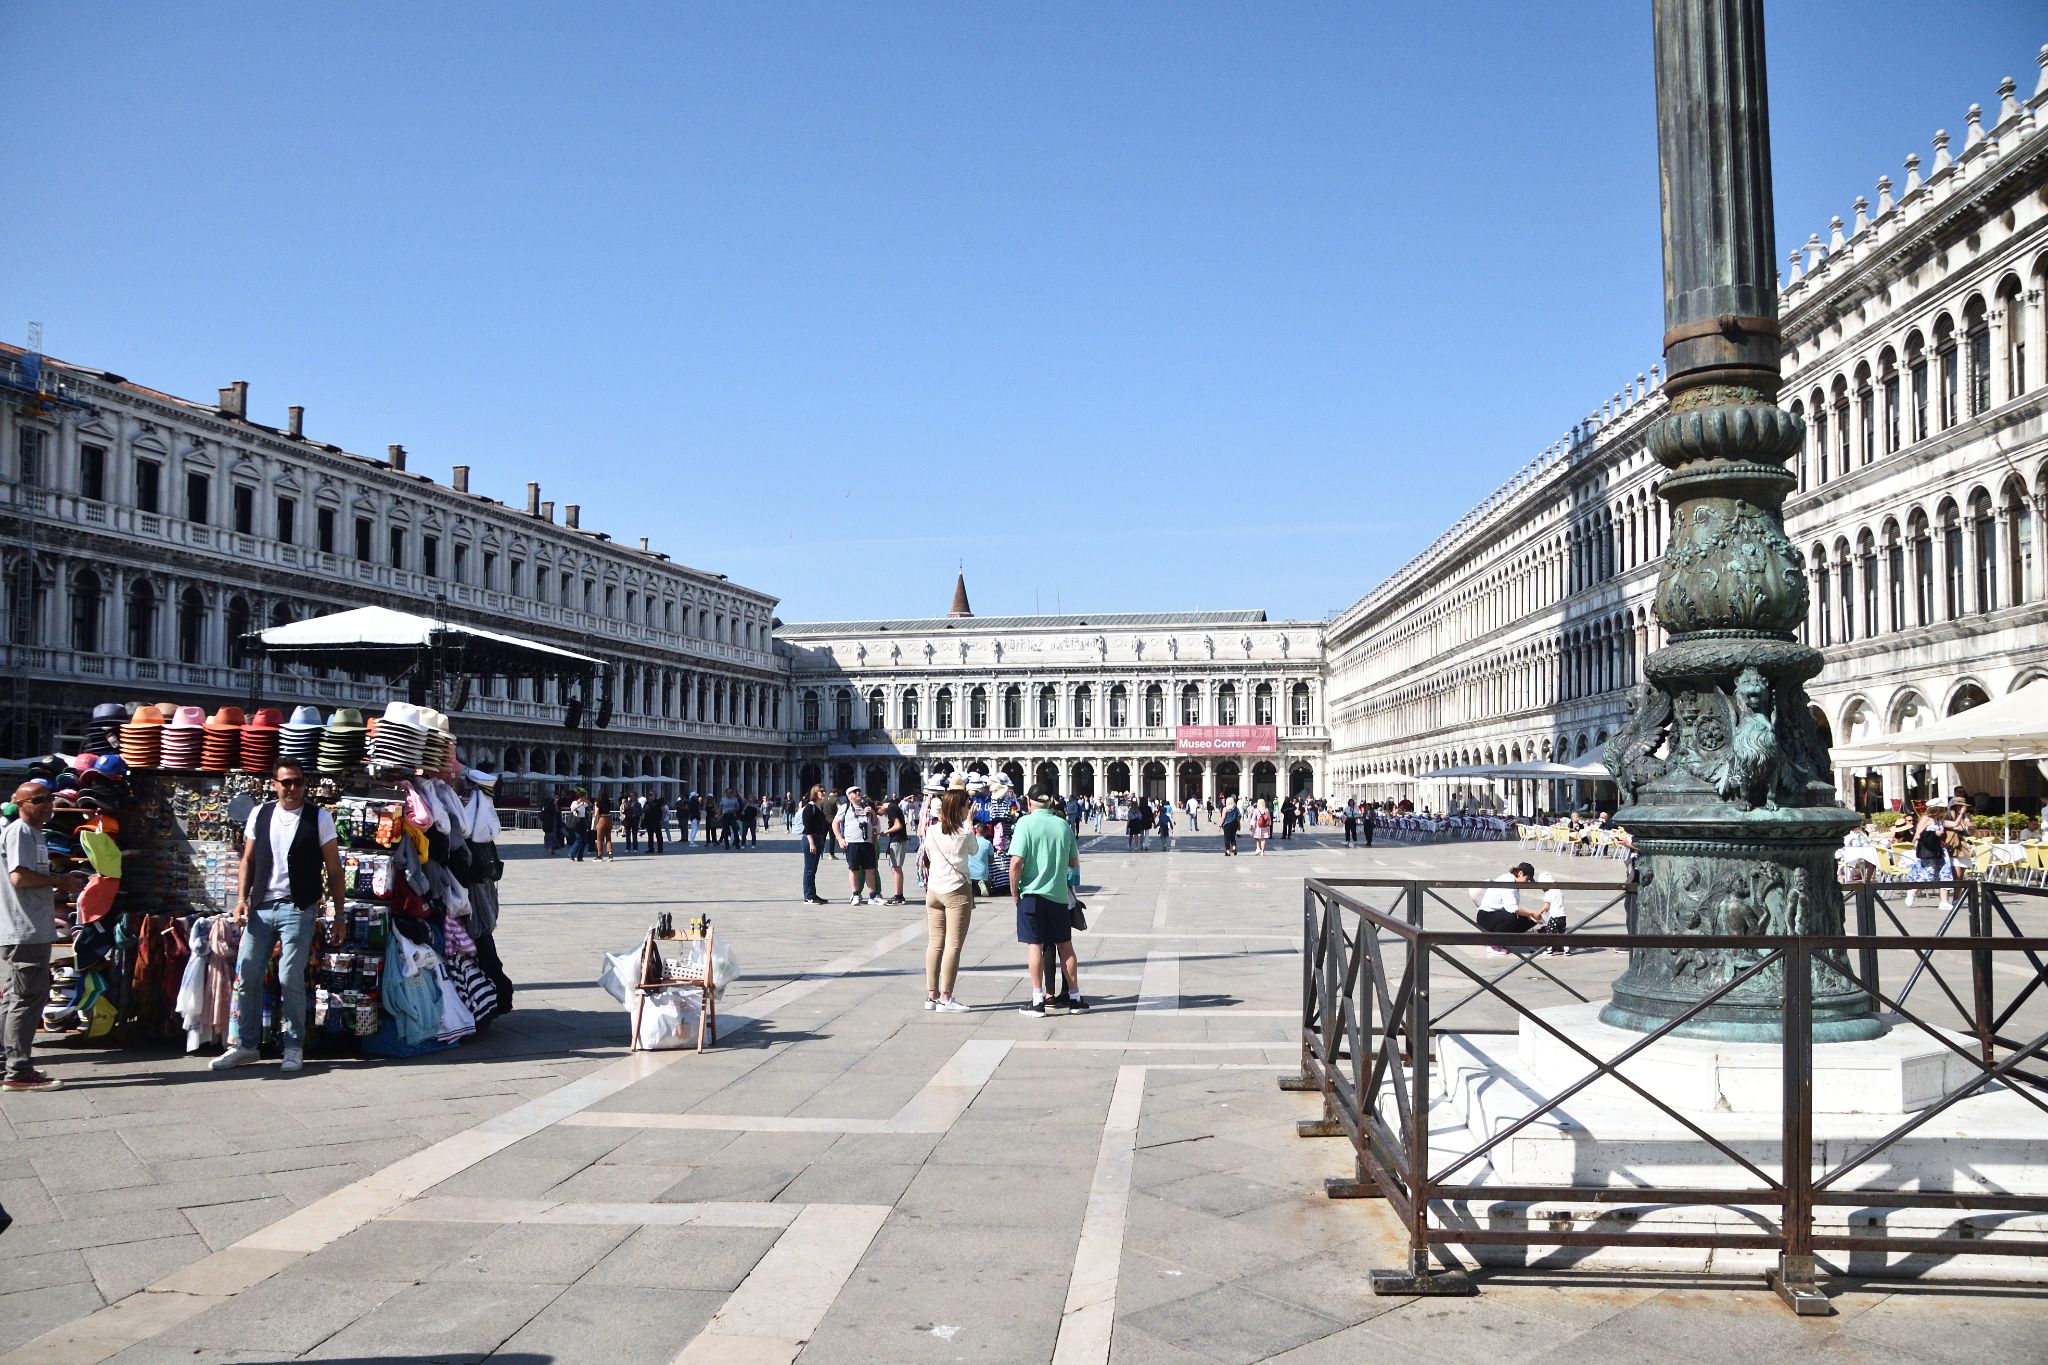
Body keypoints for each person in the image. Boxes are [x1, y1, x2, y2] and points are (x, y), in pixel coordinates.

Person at [213, 761, 345, 1074]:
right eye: (286, 782)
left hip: (298, 907)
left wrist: (339, 914)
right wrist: (241, 900)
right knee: (247, 973)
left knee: (289, 977)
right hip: (260, 906)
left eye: (298, 782)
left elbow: (335, 870)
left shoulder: (319, 817)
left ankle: (294, 1045)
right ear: (275, 784)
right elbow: (247, 859)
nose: (292, 789)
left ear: (305, 784)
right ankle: (246, 1045)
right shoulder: (261, 813)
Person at [3, 781, 88, 1091]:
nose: (47, 804)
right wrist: (59, 881)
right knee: (27, 998)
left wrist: (59, 881)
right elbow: (20, 876)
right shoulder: (21, 831)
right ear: (21, 804)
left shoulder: (34, 833)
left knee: (16, 995)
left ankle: (6, 1061)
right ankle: (18, 1070)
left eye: (49, 799)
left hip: (30, 927)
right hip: (24, 929)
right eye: (38, 800)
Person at [1011, 784, 1084, 1016]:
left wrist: (1015, 893)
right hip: (1058, 895)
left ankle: (1037, 1000)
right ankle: (1075, 999)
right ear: (1051, 802)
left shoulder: (1024, 823)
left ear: (1029, 801)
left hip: (1031, 895)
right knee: (1066, 946)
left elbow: (1016, 863)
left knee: (1036, 945)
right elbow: (1073, 862)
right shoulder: (1063, 825)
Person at [921, 787, 978, 1011]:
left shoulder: (932, 830)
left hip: (933, 890)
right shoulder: (965, 832)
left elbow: (927, 853)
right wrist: (970, 823)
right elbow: (974, 850)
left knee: (935, 943)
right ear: (960, 808)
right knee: (953, 945)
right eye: (967, 805)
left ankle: (931, 996)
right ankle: (946, 997)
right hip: (956, 891)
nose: (969, 809)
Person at [1475, 862, 1561, 953]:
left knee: (1531, 920)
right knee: (1512, 918)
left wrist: (1530, 916)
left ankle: (1503, 940)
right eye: (1527, 879)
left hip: (1497, 915)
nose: (1527, 882)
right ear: (1520, 873)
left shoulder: (1514, 882)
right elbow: (1512, 908)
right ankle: (1494, 944)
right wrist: (1531, 913)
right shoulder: (1508, 881)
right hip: (1486, 917)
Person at [834, 786, 879, 904]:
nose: (858, 793)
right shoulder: (845, 807)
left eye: (859, 791)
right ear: (849, 796)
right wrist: (840, 839)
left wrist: (873, 813)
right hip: (852, 843)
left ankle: (872, 896)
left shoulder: (866, 806)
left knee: (870, 870)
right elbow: (835, 823)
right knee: (853, 870)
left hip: (867, 842)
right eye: (854, 792)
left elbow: (874, 824)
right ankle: (855, 894)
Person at [799, 785, 831, 904]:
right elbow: (807, 827)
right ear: (815, 793)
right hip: (810, 840)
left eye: (824, 791)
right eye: (821, 791)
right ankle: (808, 896)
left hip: (818, 839)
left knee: (813, 869)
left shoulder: (819, 807)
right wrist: (812, 842)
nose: (824, 793)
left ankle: (813, 894)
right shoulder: (809, 807)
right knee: (809, 869)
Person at [593, 797, 615, 862]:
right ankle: (610, 854)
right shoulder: (608, 803)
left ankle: (599, 856)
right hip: (608, 819)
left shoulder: (598, 804)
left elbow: (596, 813)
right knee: (608, 838)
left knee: (599, 839)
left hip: (601, 819)